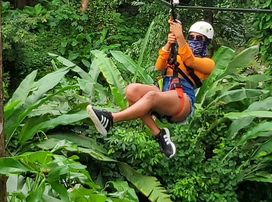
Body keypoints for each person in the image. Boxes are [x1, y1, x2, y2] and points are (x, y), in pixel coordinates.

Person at [87, 19, 215, 158]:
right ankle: (159, 135)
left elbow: (190, 61)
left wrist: (180, 37)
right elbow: (159, 66)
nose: (194, 40)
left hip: (183, 99)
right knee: (131, 90)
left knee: (151, 97)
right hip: (167, 93)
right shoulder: (178, 54)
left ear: (206, 42)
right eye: (191, 37)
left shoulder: (208, 63)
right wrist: (169, 44)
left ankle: (111, 119)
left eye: (199, 38)